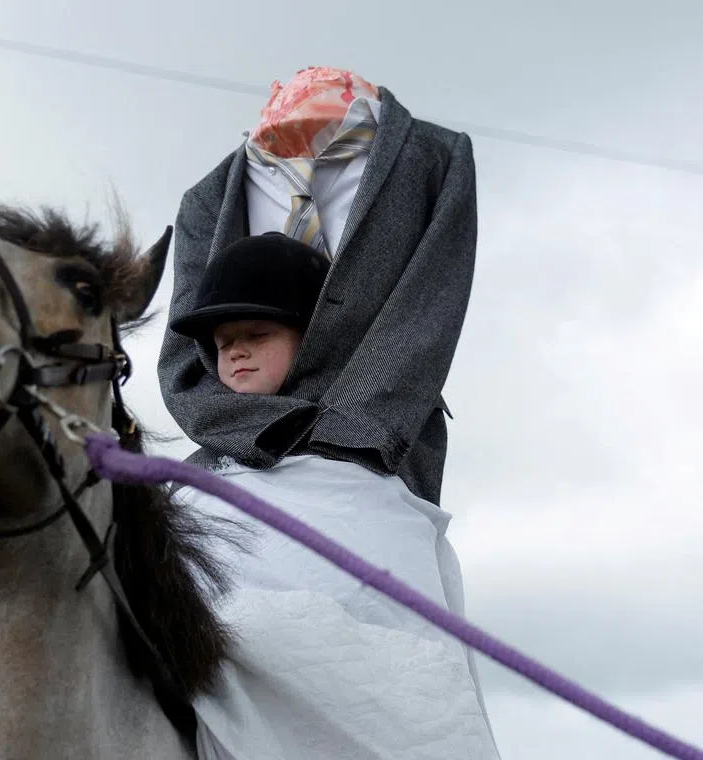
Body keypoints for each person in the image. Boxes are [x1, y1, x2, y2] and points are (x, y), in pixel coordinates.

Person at [167, 232, 501, 759]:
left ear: (315, 341)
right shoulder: (187, 487)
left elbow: (386, 639)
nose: (234, 350)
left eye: (258, 332)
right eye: (222, 340)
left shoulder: (366, 473)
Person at [157, 66, 476, 506]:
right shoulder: (206, 199)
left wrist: (346, 436)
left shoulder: (436, 157)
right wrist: (258, 436)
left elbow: (425, 309)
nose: (237, 347)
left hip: (377, 453)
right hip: (242, 457)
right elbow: (185, 357)